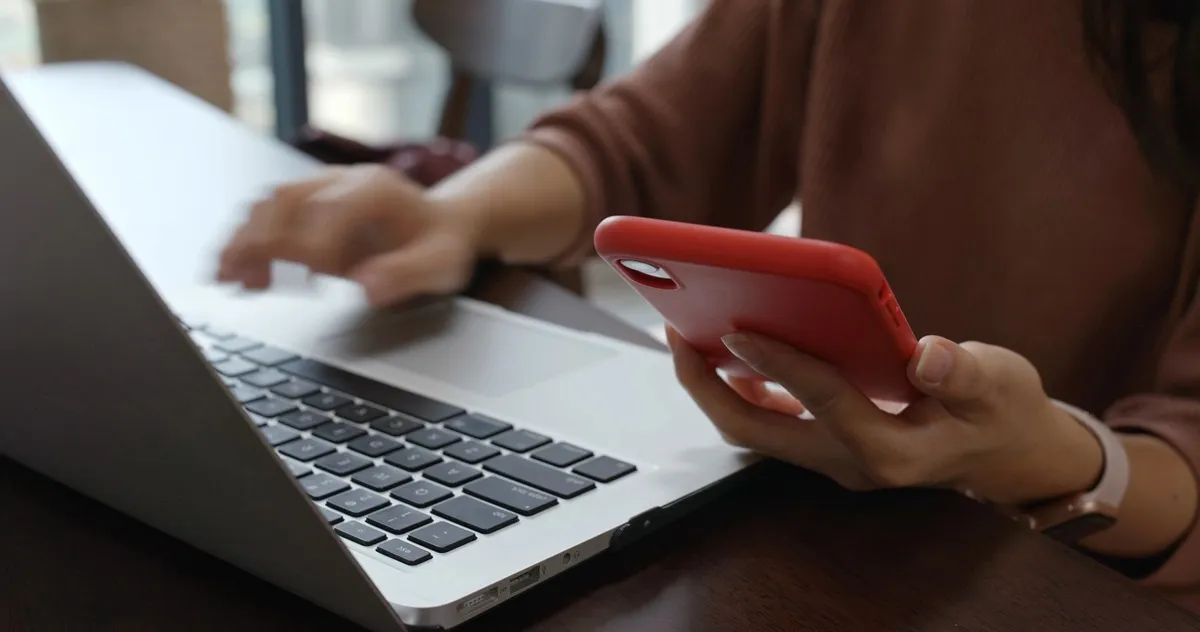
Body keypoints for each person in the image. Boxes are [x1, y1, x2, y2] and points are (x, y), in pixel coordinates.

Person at [216, 0, 1200, 611]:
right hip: (828, 545)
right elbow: (646, 138)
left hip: (1071, 578)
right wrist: (452, 215)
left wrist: (1038, 458)